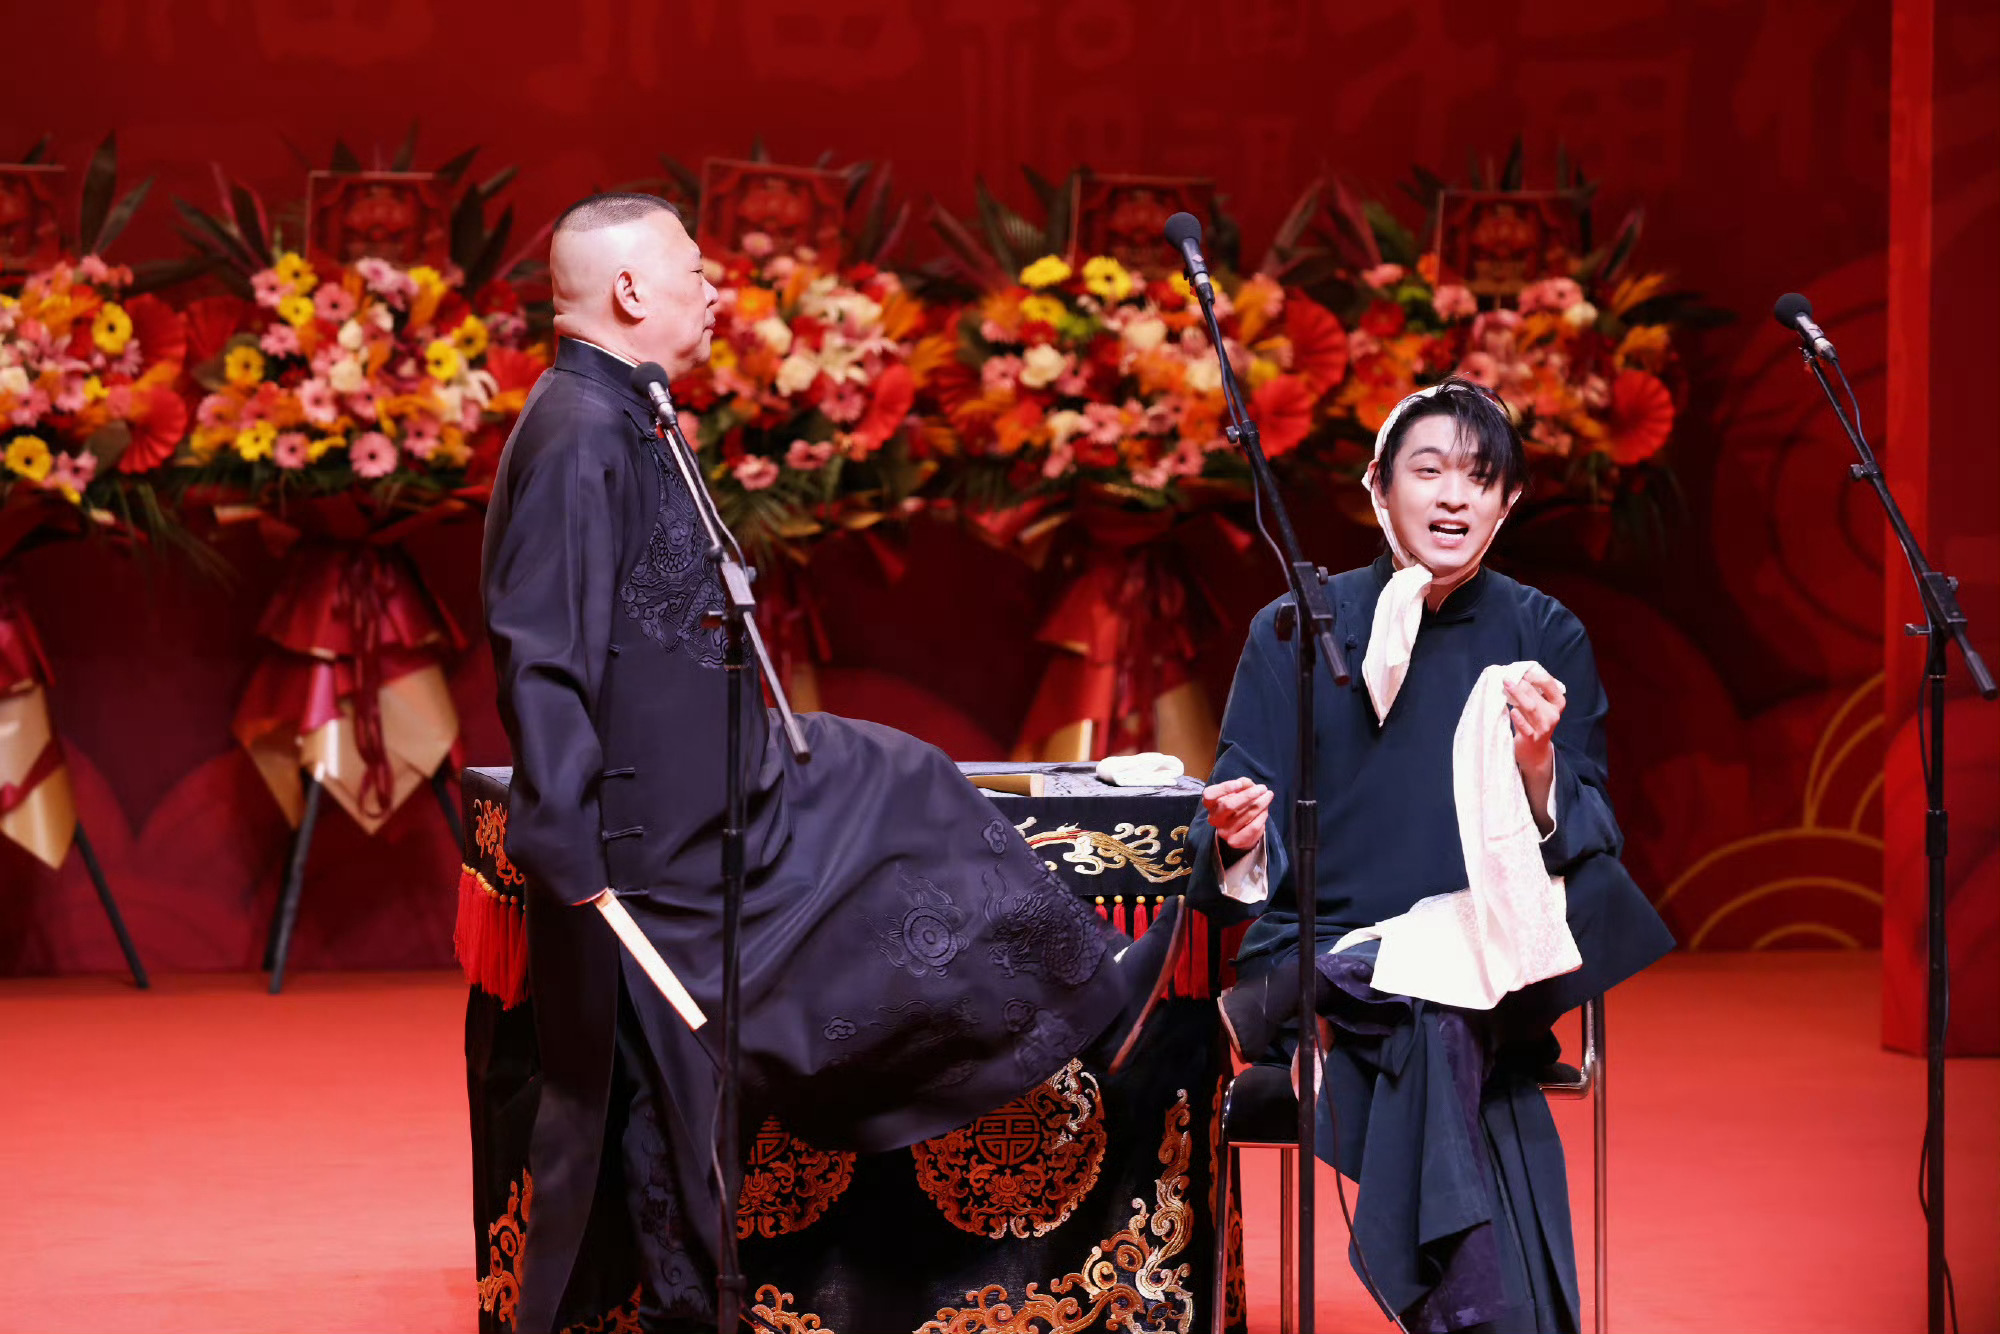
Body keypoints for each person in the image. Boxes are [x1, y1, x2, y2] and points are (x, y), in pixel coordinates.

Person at [481, 193, 1182, 1333]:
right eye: (695, 270)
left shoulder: (631, 409)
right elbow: (542, 647)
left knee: (897, 784)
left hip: (724, 791)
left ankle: (1083, 995)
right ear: (629, 291)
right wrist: (561, 828)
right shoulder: (576, 429)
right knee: (667, 1099)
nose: (715, 291)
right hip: (650, 837)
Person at [1188, 379, 1673, 1334]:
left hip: (1487, 966)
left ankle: (1304, 1004)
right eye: (1430, 470)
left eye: (1480, 478)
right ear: (1378, 484)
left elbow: (1592, 836)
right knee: (1431, 1019)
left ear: (1509, 502)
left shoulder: (1543, 634)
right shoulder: (1295, 626)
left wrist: (1538, 767)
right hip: (1341, 945)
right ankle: (1486, 1315)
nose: (1455, 496)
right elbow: (1237, 816)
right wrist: (1241, 834)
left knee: (1441, 992)